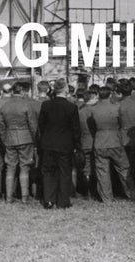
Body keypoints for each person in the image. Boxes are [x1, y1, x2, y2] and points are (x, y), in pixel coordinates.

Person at [88, 86, 135, 203]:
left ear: (98, 95)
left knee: (102, 171)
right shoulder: (116, 108)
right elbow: (121, 123)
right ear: (110, 95)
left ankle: (107, 199)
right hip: (115, 140)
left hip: (100, 141)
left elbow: (92, 127)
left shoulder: (93, 109)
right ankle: (132, 194)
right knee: (124, 168)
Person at [38, 79, 81, 209]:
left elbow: (41, 126)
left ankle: (49, 200)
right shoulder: (72, 107)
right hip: (65, 144)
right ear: (66, 90)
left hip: (48, 143)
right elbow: (76, 129)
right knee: (64, 172)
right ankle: (63, 201)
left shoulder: (45, 105)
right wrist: (77, 146)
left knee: (49, 172)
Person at [0, 82, 38, 203]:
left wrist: (5, 139)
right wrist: (34, 140)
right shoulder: (27, 105)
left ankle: (8, 197)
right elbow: (33, 125)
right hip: (25, 138)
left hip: (10, 139)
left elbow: (1, 127)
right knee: (24, 167)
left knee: (10, 167)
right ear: (23, 92)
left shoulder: (5, 106)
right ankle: (25, 197)